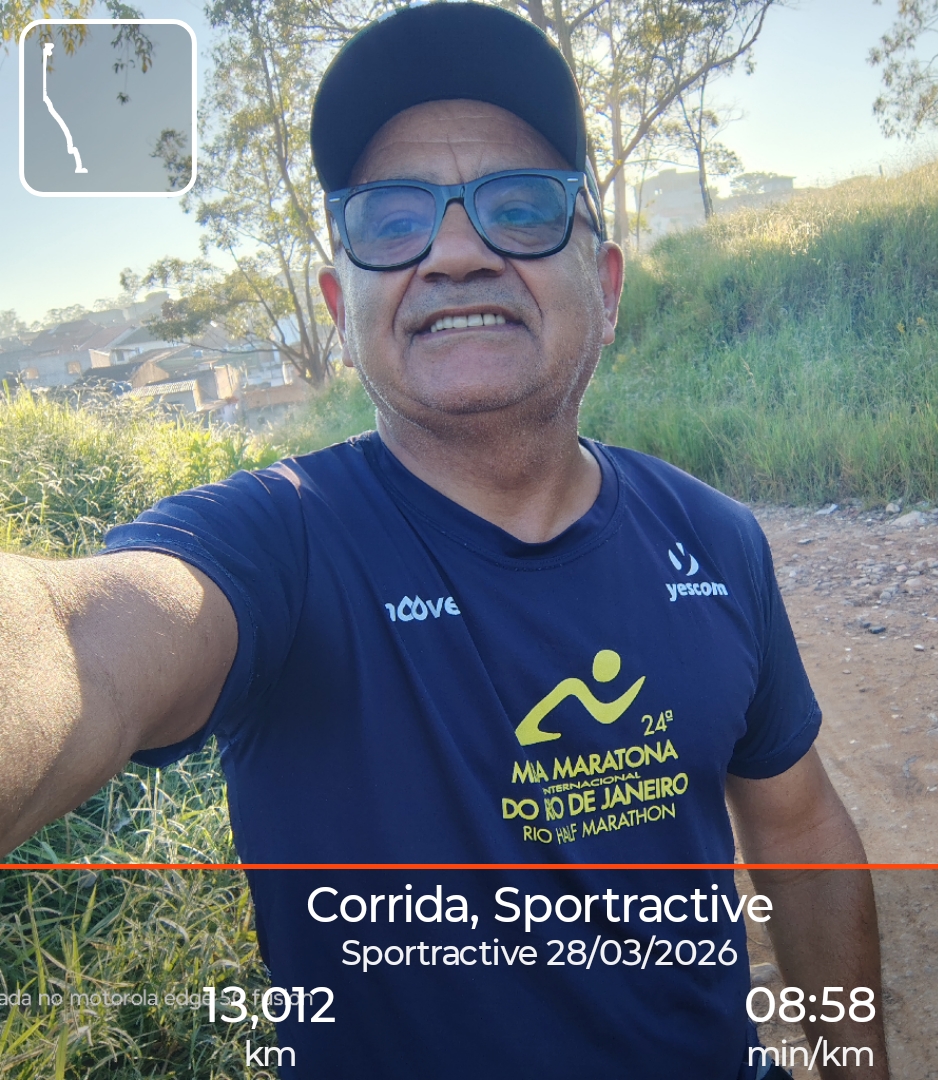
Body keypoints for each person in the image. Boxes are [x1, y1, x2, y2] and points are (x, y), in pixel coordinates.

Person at [0, 4, 889, 1077]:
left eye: (521, 207)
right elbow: (75, 640)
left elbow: (797, 832)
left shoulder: (715, 538)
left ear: (606, 289)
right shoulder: (277, 547)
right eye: (391, 218)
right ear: (343, 307)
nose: (458, 252)